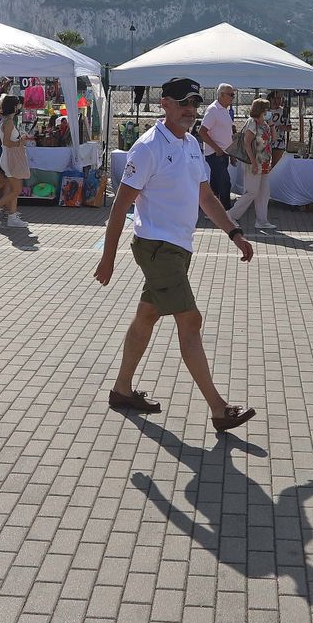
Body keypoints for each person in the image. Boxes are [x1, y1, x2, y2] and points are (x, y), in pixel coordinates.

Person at [94, 77, 257, 433]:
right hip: (156, 248)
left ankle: (121, 390)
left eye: (195, 104)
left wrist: (234, 232)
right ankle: (219, 408)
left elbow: (206, 198)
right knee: (191, 321)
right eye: (183, 103)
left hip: (179, 248)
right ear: (164, 103)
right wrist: (108, 258)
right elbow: (120, 207)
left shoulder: (192, 145)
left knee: (147, 317)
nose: (190, 110)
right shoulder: (148, 147)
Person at [226, 97, 277, 232]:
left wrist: (271, 124)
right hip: (254, 162)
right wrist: (253, 162)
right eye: (266, 109)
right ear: (260, 110)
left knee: (264, 193)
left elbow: (274, 138)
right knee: (252, 192)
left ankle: (262, 221)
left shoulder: (265, 124)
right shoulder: (252, 123)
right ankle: (230, 216)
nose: (268, 112)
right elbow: (247, 143)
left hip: (265, 162)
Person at [0, 95, 31, 228]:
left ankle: (12, 217)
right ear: (14, 106)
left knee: (14, 189)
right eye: (18, 104)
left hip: (10, 157)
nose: (20, 107)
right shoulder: (8, 122)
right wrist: (20, 142)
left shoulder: (6, 120)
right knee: (17, 190)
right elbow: (7, 142)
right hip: (9, 158)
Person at [197, 83, 237, 209]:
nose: (233, 97)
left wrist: (231, 154)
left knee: (216, 182)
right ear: (221, 95)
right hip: (215, 154)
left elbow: (226, 133)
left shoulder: (223, 110)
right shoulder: (213, 110)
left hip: (222, 153)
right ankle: (227, 211)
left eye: (233, 95)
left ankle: (211, 209)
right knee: (225, 182)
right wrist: (217, 149)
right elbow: (202, 132)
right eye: (231, 95)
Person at [266, 90, 290, 167]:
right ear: (272, 99)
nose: (280, 100)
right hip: (265, 141)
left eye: (281, 98)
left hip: (279, 142)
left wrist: (284, 127)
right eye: (277, 98)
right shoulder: (265, 111)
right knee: (265, 165)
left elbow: (289, 128)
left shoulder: (283, 111)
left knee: (276, 165)